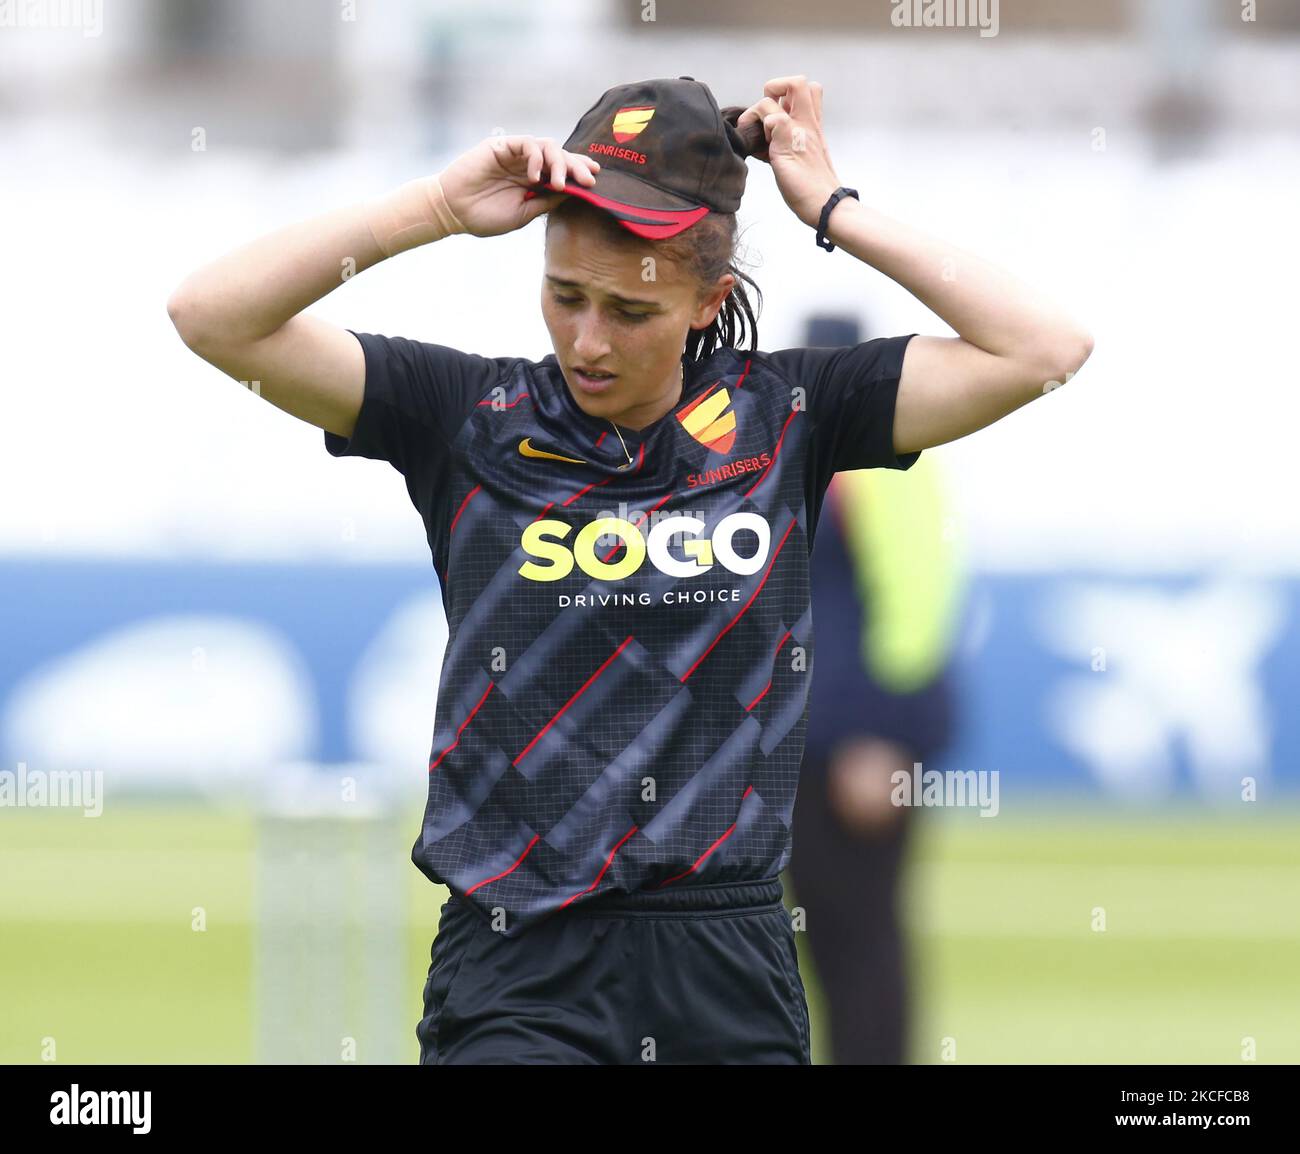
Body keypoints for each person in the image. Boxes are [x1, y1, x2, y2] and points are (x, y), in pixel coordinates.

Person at [166, 74, 1092, 1065]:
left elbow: (1044, 345)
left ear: (710, 301)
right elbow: (211, 315)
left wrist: (832, 210)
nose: (587, 339)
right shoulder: (466, 416)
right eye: (563, 296)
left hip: (726, 964)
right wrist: (431, 209)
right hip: (517, 967)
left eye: (629, 310)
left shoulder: (789, 416)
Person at [789, 314, 967, 1065]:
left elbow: (918, 595)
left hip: (854, 741)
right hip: (814, 736)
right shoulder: (840, 457)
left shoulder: (880, 458)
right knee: (826, 935)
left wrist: (881, 733)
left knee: (859, 935)